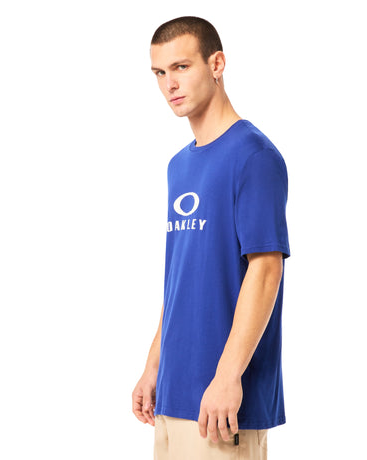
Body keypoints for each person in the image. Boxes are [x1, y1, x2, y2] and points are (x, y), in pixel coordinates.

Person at [132, 16, 291, 460]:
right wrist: (153, 366)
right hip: (173, 395)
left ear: (216, 64)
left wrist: (227, 376)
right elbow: (182, 278)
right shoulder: (178, 166)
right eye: (159, 72)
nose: (169, 84)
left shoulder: (254, 156)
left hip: (221, 405)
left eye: (181, 67)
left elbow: (266, 270)